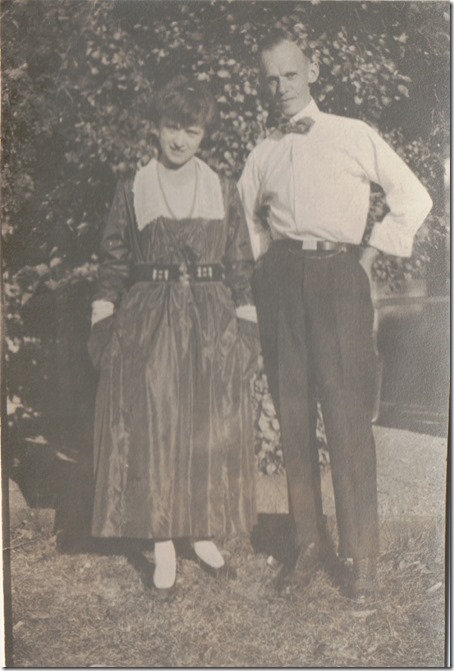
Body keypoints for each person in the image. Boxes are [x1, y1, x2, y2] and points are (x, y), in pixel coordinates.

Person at [238, 29, 432, 599]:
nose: (281, 87)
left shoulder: (352, 134)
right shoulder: (263, 152)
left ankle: (362, 556)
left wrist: (368, 255)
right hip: (281, 283)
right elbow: (248, 218)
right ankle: (306, 544)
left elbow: (414, 197)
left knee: (347, 417)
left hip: (339, 278)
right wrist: (265, 272)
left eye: (290, 74)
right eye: (270, 79)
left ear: (313, 71)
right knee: (293, 415)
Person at [88, 75, 259, 598]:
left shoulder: (222, 189)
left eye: (191, 130)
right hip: (150, 319)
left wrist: (247, 324)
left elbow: (239, 263)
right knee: (157, 423)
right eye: (171, 128)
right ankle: (162, 538)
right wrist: (103, 319)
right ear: (156, 128)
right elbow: (113, 261)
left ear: (204, 133)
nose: (180, 140)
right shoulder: (133, 187)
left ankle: (201, 532)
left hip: (210, 319)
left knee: (207, 420)